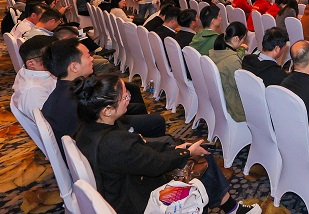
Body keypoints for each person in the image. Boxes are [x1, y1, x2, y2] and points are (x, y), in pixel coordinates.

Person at [72, 74, 261, 214]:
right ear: (107, 110)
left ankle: (230, 207)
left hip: (119, 188)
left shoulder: (87, 128)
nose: (128, 100)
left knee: (187, 152)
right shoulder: (114, 143)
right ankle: (231, 208)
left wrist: (177, 150)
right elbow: (155, 164)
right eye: (125, 97)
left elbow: (139, 154)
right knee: (200, 161)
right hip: (135, 201)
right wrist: (186, 153)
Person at [41, 38, 166, 149]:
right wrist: (132, 136)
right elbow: (98, 135)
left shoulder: (62, 92)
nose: (92, 59)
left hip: (97, 135)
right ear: (74, 67)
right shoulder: (76, 100)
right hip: (101, 145)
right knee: (157, 122)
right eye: (88, 56)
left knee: (138, 107)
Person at [210, 22, 248, 122]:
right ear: (236, 38)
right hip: (234, 104)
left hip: (220, 98)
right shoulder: (232, 61)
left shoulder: (216, 52)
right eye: (243, 39)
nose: (243, 42)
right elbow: (239, 86)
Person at [12, 36, 57, 120]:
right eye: (49, 56)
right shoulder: (33, 91)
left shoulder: (33, 71)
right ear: (31, 64)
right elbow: (48, 121)